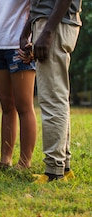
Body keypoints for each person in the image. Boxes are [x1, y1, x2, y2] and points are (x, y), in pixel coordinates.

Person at [22, 0, 82, 182]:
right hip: (52, 22)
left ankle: (53, 172)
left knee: (52, 98)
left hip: (55, 25)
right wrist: (28, 29)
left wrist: (47, 31)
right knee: (58, 96)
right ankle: (63, 167)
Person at [0, 0, 37, 170]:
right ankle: (5, 159)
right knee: (6, 106)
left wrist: (32, 41)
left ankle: (24, 161)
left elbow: (36, 10)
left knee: (24, 106)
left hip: (20, 47)